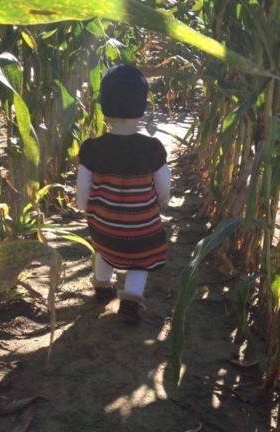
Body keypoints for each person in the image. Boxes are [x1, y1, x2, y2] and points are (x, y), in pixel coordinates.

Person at [76, 64, 171, 325]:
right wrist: (162, 200)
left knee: (104, 252)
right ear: (141, 107)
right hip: (141, 228)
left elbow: (83, 182)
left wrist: (84, 206)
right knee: (140, 263)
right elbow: (164, 181)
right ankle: (130, 301)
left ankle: (103, 287)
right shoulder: (151, 148)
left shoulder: (94, 147)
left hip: (105, 226)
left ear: (104, 106)